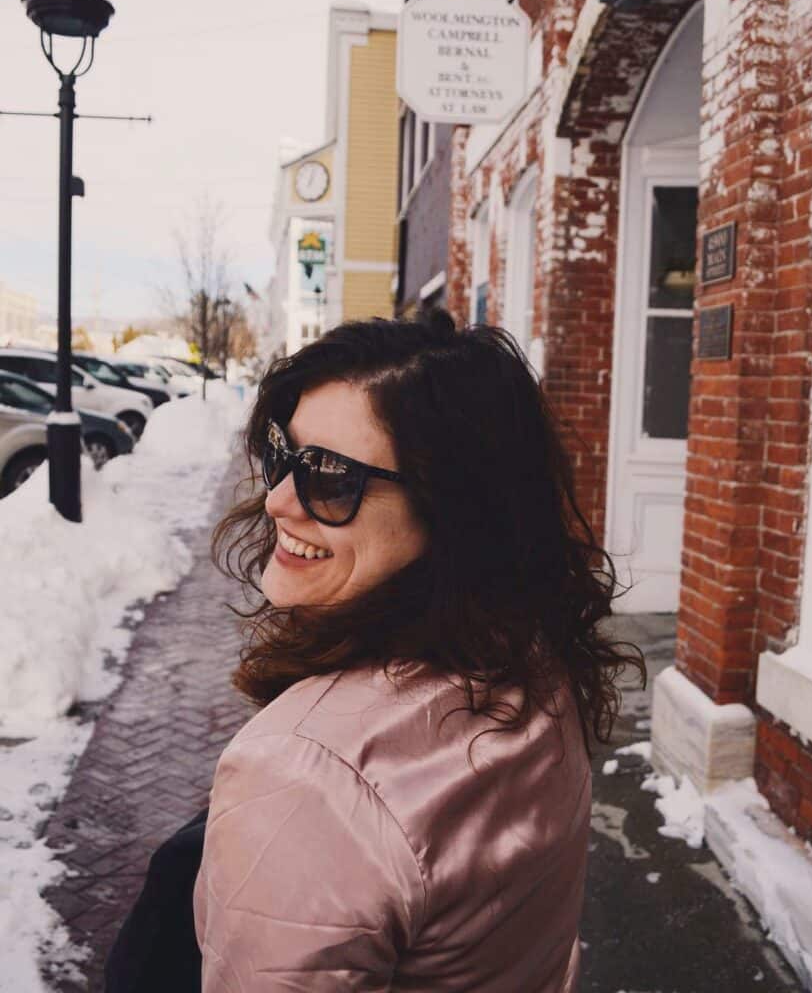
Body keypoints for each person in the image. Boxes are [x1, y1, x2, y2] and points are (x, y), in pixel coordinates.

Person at [196, 310, 644, 992]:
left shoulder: (306, 772)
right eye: (281, 454)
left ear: (452, 515)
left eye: (330, 480)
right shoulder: (532, 663)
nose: (279, 501)